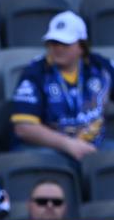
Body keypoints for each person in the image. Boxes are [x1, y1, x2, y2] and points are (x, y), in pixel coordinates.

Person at [11, 11, 114, 166]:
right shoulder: (35, 72)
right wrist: (68, 145)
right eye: (53, 43)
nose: (57, 48)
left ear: (82, 46)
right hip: (51, 148)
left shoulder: (101, 67)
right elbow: (23, 128)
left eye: (64, 44)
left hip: (95, 145)